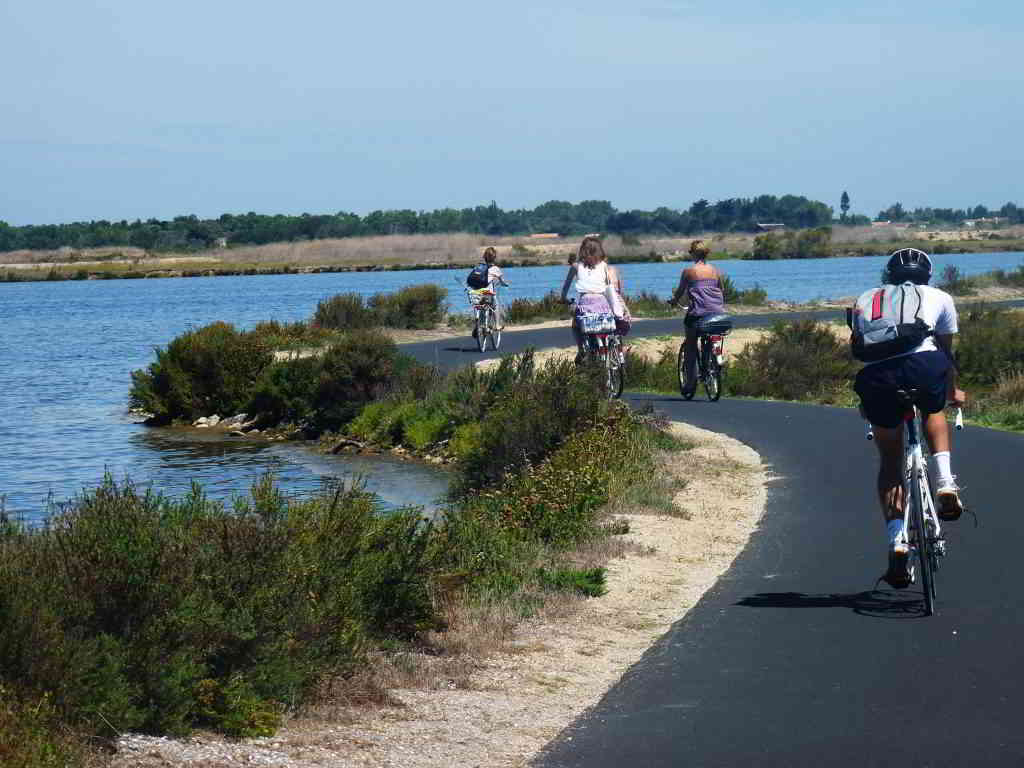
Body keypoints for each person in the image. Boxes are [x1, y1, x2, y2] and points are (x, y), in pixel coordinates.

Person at [851, 248, 967, 589]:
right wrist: (952, 392)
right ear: (927, 275)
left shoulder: (865, 298)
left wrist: (867, 398)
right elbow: (944, 352)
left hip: (877, 378)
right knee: (933, 410)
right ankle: (945, 482)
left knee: (890, 458)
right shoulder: (940, 297)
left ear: (888, 276)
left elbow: (860, 347)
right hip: (923, 367)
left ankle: (897, 540)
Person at [668, 240, 726, 396]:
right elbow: (722, 289)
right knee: (712, 336)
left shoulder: (688, 272)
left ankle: (690, 382)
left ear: (693, 253)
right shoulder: (716, 271)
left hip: (698, 314)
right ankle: (713, 361)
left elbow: (680, 292)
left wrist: (674, 302)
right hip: (717, 314)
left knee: (691, 344)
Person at [560, 236, 619, 362]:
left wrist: (563, 298)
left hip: (585, 303)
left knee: (576, 325)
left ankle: (581, 349)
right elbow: (609, 286)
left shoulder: (576, 266)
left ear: (582, 251)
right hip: (602, 303)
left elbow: (565, 287)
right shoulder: (603, 265)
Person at [468, 247, 510, 330]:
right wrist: (505, 284)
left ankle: (479, 325)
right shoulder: (495, 269)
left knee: (480, 305)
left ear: (484, 257)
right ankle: (497, 325)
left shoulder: (478, 267)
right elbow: (502, 282)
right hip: (488, 293)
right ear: (494, 258)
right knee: (495, 305)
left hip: (476, 292)